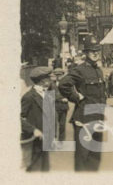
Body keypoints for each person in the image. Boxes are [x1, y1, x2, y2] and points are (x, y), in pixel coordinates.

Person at [59, 39, 107, 171]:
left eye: (97, 50)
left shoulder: (99, 71)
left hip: (98, 119)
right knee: (82, 157)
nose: (95, 53)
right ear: (86, 53)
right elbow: (63, 84)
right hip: (84, 120)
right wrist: (76, 97)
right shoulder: (80, 70)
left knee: (95, 157)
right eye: (92, 51)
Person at [21, 66, 57, 171]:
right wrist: (34, 130)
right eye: (49, 78)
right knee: (34, 169)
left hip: (46, 139)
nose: (51, 80)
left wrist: (53, 136)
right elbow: (18, 119)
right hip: (34, 140)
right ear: (42, 81)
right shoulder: (29, 97)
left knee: (45, 169)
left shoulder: (48, 94)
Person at [52, 69, 69, 141]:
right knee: (54, 125)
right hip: (54, 106)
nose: (59, 77)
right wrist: (60, 99)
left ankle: (61, 141)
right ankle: (53, 140)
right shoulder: (51, 84)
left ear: (63, 75)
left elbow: (70, 93)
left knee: (62, 125)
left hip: (63, 107)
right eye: (57, 75)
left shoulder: (66, 84)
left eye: (60, 75)